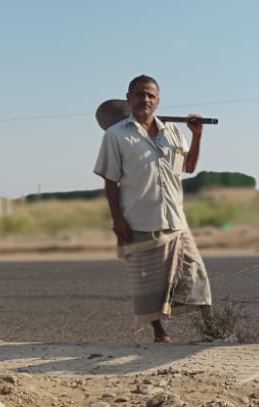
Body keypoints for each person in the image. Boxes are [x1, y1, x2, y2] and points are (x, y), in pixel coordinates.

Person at [93, 74, 215, 343]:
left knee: (196, 273)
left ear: (158, 100)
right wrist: (117, 220)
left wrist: (197, 136)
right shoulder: (116, 136)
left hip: (175, 218)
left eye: (150, 95)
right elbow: (110, 181)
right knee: (147, 283)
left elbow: (189, 168)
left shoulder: (172, 132)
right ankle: (160, 333)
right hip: (138, 218)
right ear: (129, 99)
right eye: (139, 94)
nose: (145, 99)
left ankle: (213, 329)